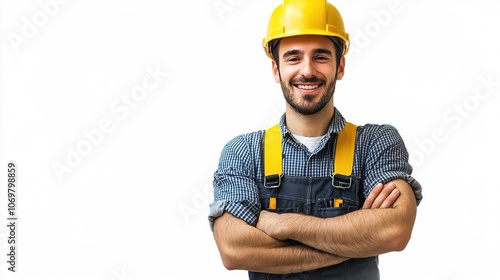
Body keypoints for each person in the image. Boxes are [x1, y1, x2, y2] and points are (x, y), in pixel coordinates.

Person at [208, 0, 423, 279]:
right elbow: (234, 250)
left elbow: (394, 231)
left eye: (320, 56)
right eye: (293, 57)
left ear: (340, 66)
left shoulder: (376, 143)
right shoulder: (244, 152)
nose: (307, 70)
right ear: (276, 69)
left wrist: (285, 225)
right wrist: (357, 241)